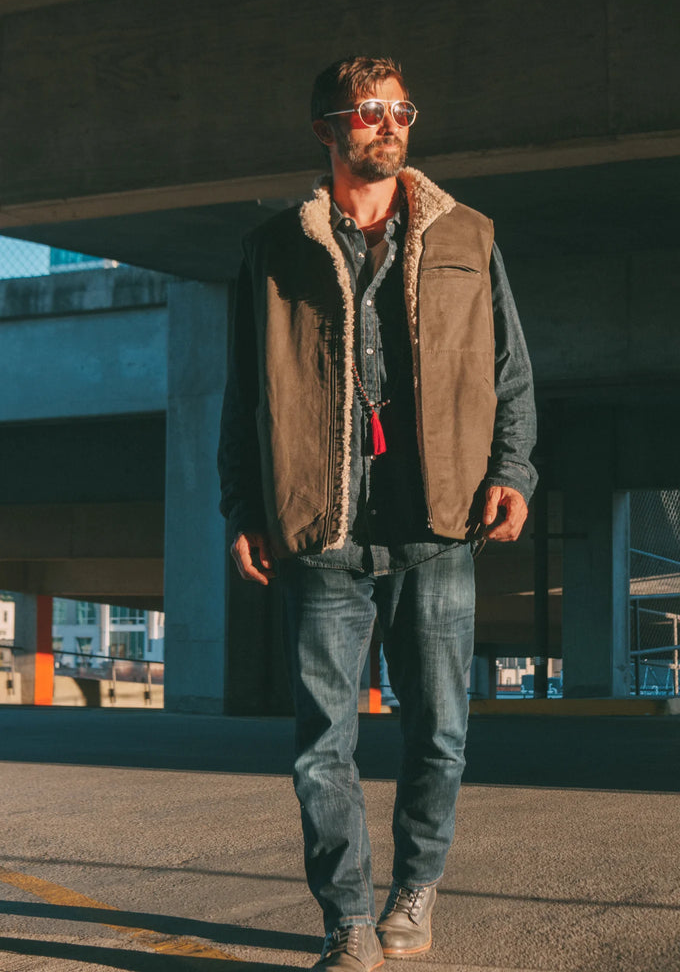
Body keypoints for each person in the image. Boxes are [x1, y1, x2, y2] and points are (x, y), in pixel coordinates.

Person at [218, 56, 537, 971]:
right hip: (323, 530)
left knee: (438, 733)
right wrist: (244, 505)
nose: (388, 124)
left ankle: (415, 887)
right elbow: (245, 395)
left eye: (401, 109)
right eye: (368, 111)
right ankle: (347, 919)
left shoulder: (469, 235)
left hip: (440, 527)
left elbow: (507, 370)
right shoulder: (275, 247)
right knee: (324, 747)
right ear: (327, 129)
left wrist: (512, 468)